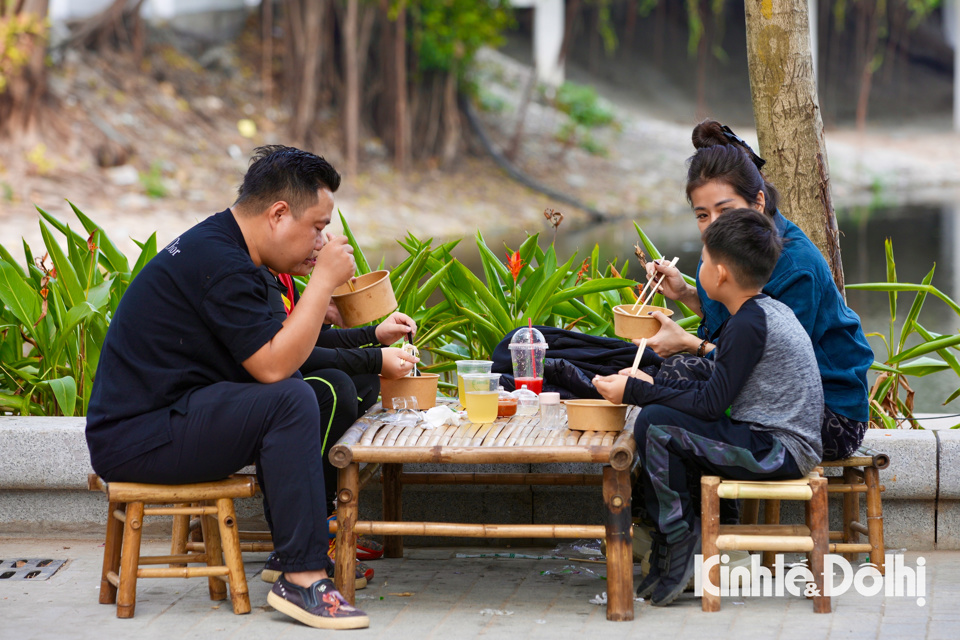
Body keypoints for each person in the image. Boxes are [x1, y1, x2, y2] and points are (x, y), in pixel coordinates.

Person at [86, 145, 383, 630]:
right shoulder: (223, 264)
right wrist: (322, 284)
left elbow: (279, 352)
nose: (322, 240)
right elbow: (273, 367)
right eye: (316, 227)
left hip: (172, 416)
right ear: (278, 214)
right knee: (288, 399)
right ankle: (302, 576)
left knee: (301, 392)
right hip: (138, 438)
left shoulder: (225, 248)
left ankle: (298, 558)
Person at [593, 208, 823, 607]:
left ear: (720, 274)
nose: (698, 266)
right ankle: (679, 537)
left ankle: (677, 537)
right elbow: (714, 388)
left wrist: (637, 391)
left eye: (702, 258)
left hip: (778, 451)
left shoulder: (748, 324)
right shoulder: (760, 312)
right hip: (770, 442)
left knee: (657, 425)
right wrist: (654, 384)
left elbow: (711, 405)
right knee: (668, 401)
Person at [641, 120, 873, 461]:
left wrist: (691, 343)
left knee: (676, 375)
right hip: (773, 395)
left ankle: (698, 509)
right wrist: (687, 294)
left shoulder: (795, 266)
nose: (714, 225)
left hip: (824, 414)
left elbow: (769, 359)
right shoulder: (740, 245)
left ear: (758, 201)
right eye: (702, 215)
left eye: (725, 210)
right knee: (657, 372)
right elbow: (741, 317)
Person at [260, 264, 418, 576]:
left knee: (365, 382)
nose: (320, 243)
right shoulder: (259, 277)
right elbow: (294, 352)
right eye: (316, 230)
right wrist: (375, 356)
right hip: (258, 389)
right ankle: (305, 538)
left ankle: (328, 517)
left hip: (288, 376)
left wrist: (374, 336)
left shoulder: (284, 278)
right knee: (335, 388)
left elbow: (310, 342)